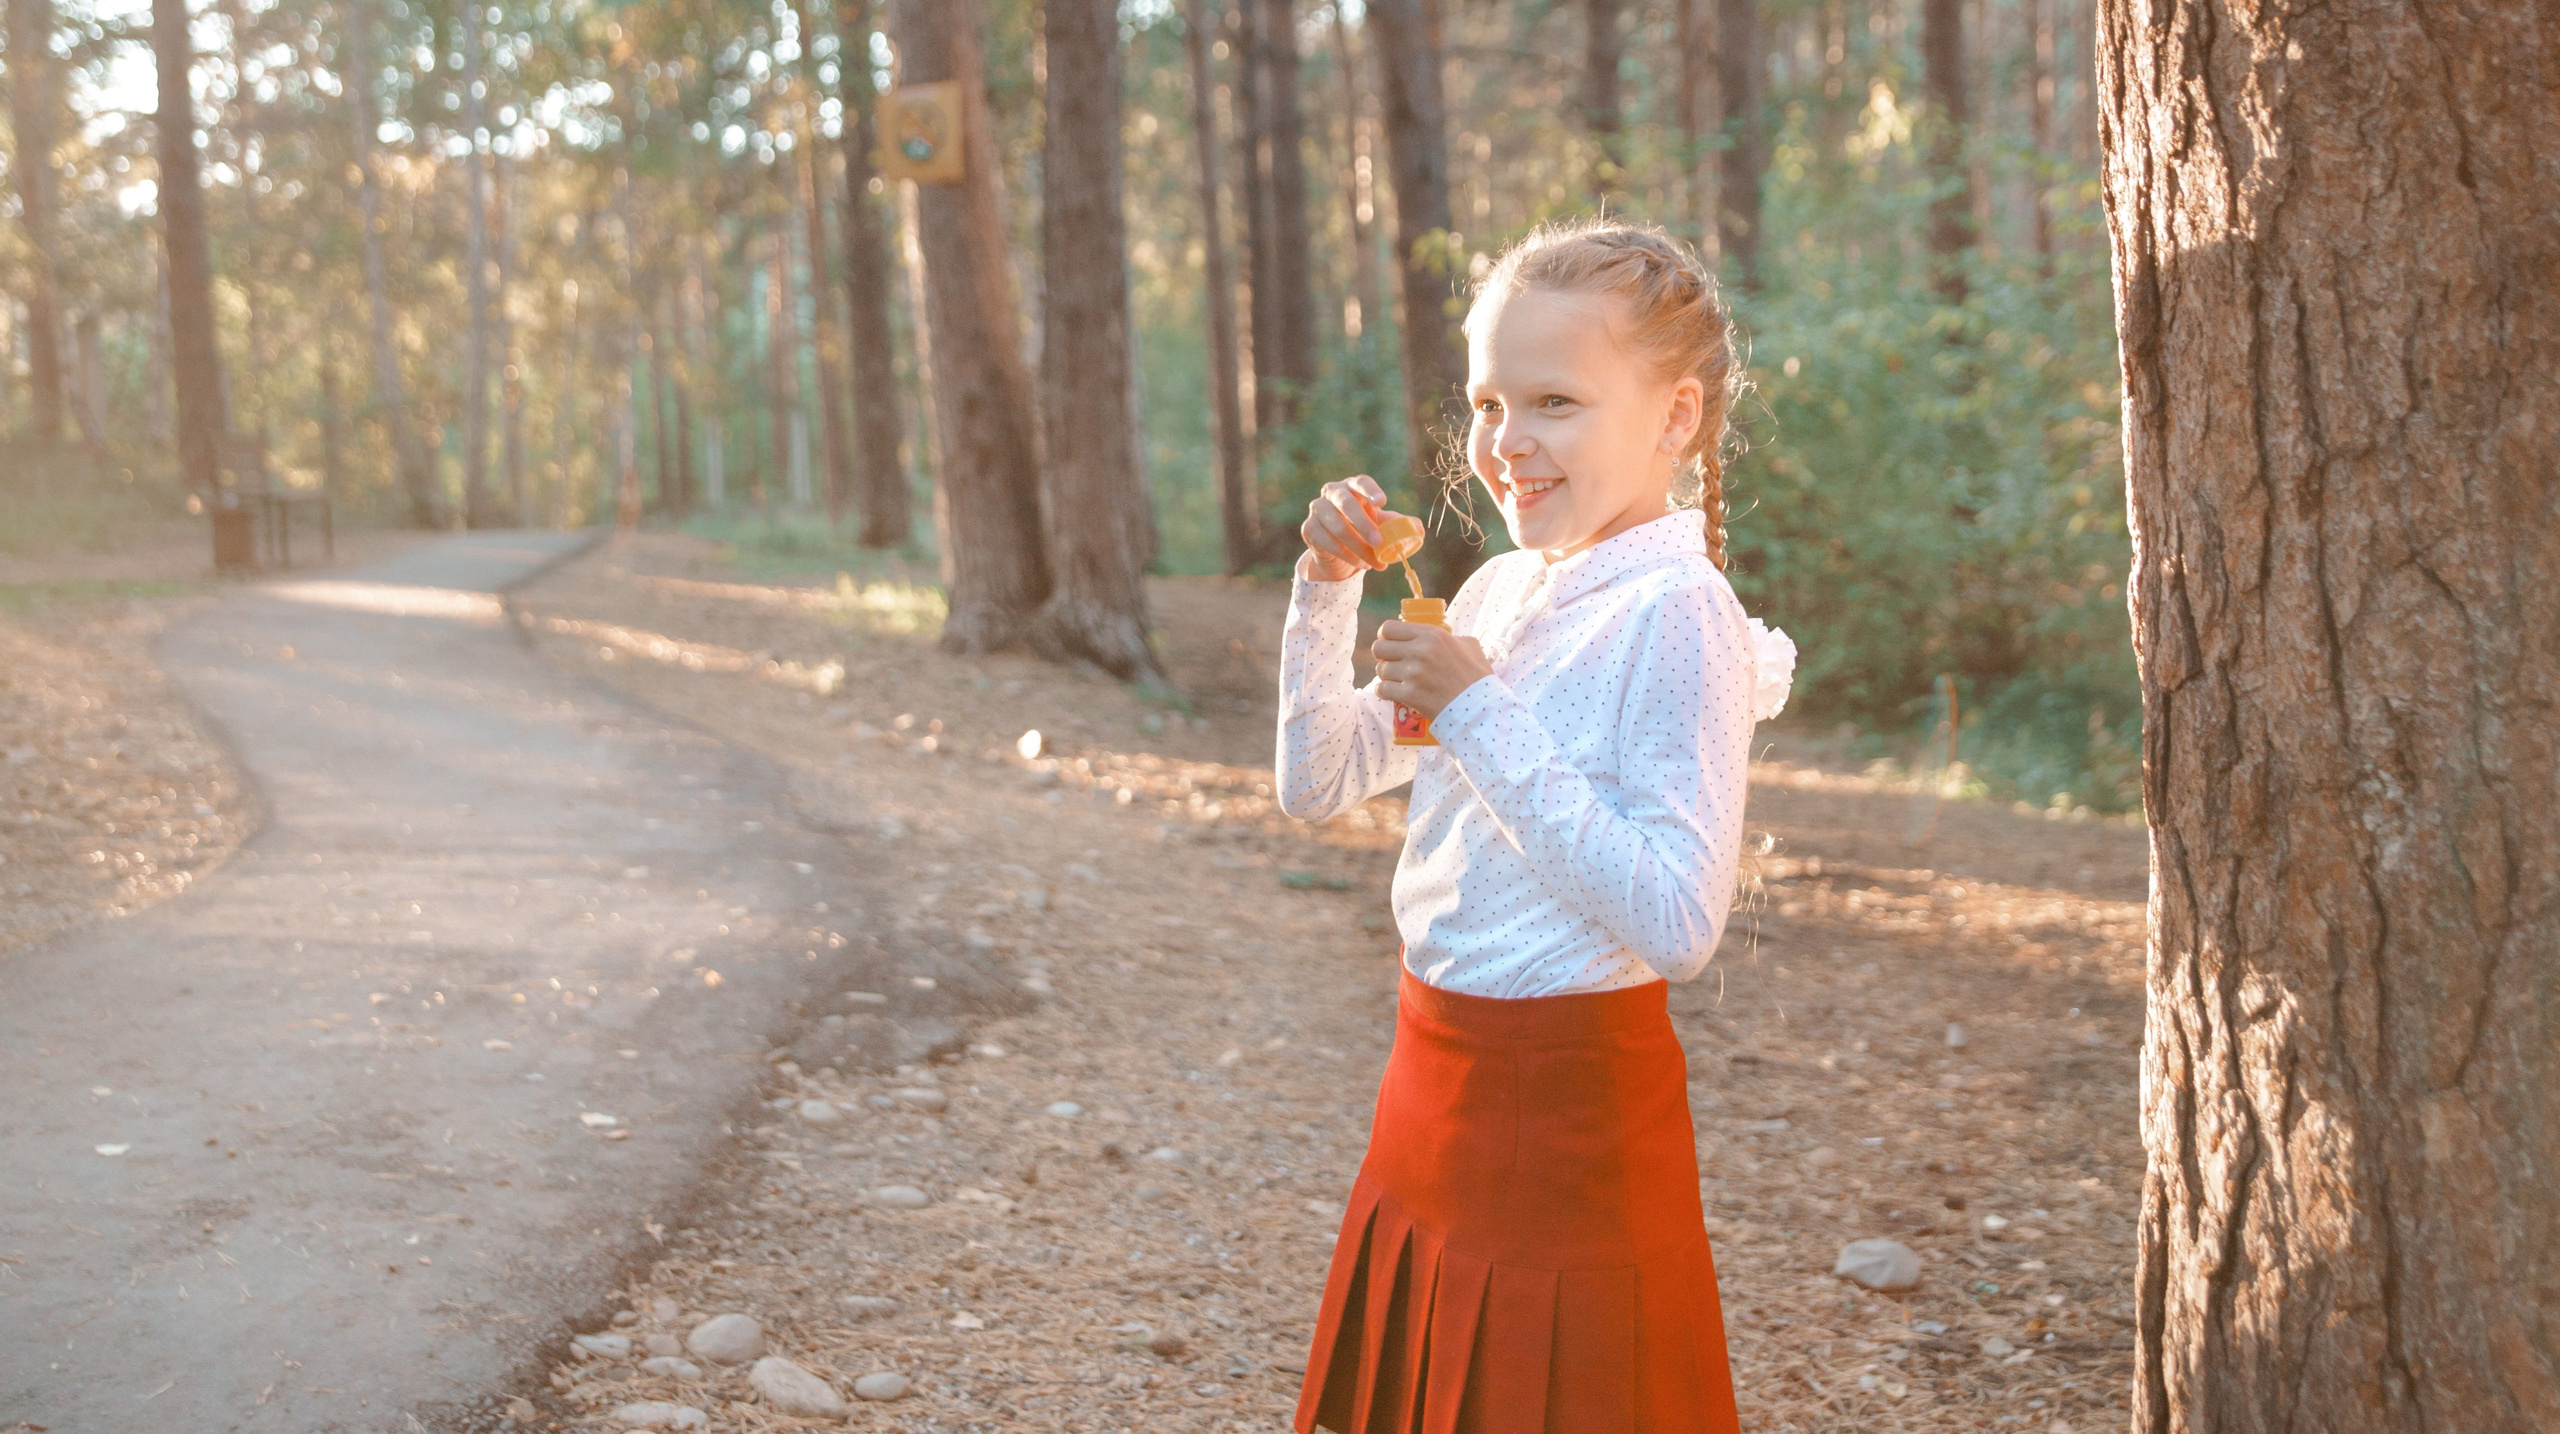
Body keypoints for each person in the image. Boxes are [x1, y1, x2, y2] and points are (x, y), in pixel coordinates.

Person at [1276, 216, 1796, 1434]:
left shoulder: (1678, 615)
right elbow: (1318, 781)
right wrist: (1325, 591)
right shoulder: (1503, 590)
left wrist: (1478, 709)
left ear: (1674, 417)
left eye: (1554, 401)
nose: (1507, 445)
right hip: (1430, 1078)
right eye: (1488, 403)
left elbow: (1677, 921)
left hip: (1563, 1117)